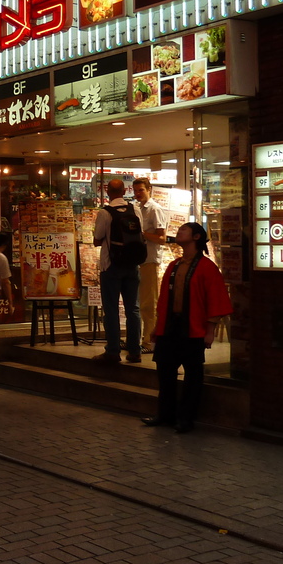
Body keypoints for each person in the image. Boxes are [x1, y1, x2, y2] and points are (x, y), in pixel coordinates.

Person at [142, 223, 233, 434]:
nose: (179, 232)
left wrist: (210, 330)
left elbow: (216, 300)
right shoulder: (174, 265)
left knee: (193, 375)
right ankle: (165, 414)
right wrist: (158, 326)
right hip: (170, 327)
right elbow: (165, 299)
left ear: (196, 236)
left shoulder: (207, 267)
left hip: (193, 328)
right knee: (165, 372)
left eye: (184, 230)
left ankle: (185, 418)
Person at [93, 178, 142, 364]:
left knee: (111, 310)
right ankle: (135, 351)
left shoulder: (105, 213)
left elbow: (97, 239)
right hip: (132, 265)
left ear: (107, 191)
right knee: (133, 309)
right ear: (124, 190)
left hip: (111, 265)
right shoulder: (135, 209)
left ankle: (113, 351)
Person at [133, 177, 168, 354]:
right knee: (138, 302)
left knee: (149, 302)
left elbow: (162, 238)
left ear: (149, 189)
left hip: (150, 260)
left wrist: (141, 234)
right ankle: (140, 339)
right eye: (136, 190)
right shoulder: (136, 208)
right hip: (138, 260)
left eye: (141, 190)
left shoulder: (155, 209)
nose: (138, 194)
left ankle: (150, 342)